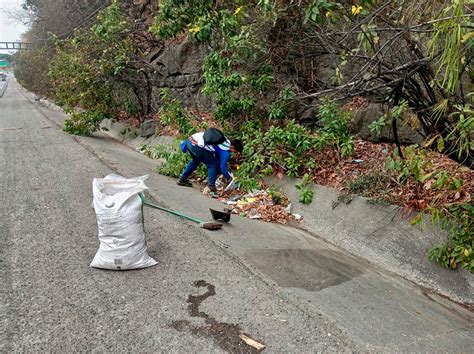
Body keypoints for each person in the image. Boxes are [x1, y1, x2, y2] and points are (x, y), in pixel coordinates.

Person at [177, 129, 243, 192]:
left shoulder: (225, 140)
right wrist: (229, 178)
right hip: (196, 145)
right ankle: (211, 186)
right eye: (236, 152)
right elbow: (223, 167)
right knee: (212, 164)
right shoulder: (225, 151)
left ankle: (182, 179)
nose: (235, 154)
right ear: (233, 148)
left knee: (195, 161)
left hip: (190, 140)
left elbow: (217, 157)